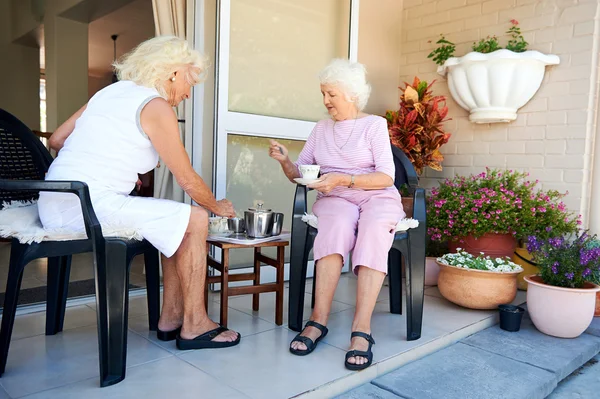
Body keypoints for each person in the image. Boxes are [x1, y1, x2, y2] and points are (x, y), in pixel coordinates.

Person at [38, 36, 240, 350]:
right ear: (174, 73)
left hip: (56, 200)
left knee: (174, 218)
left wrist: (112, 164)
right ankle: (195, 324)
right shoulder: (155, 105)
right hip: (86, 207)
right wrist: (219, 206)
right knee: (197, 218)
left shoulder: (109, 93)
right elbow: (185, 178)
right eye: (190, 81)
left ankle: (171, 319)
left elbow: (58, 139)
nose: (188, 92)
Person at [268, 59, 405, 370]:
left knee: (372, 230)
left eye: (331, 94)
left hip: (376, 196)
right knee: (335, 226)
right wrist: (285, 162)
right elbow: (302, 174)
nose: (326, 101)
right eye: (323, 94)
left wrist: (343, 178)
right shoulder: (321, 128)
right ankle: (318, 320)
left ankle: (362, 329)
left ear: (352, 95)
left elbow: (386, 176)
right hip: (335, 198)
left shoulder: (374, 125)